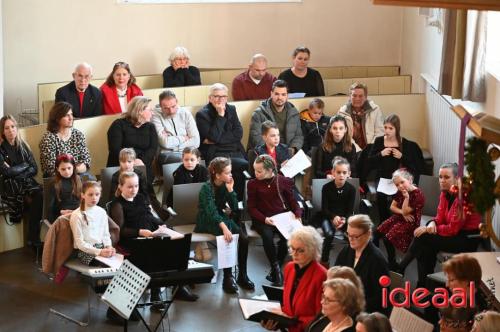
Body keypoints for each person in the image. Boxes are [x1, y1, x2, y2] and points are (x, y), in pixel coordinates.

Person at [109, 171, 199, 306]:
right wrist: (140, 232)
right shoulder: (117, 204)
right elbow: (120, 231)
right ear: (120, 186)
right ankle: (156, 294)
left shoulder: (140, 198)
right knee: (156, 251)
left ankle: (178, 286)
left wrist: (160, 224)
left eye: (136, 186)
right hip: (132, 240)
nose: (134, 190)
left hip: (149, 235)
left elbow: (148, 216)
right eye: (130, 187)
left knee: (178, 244)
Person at [397, 163, 482, 285]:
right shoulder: (445, 193)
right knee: (426, 247)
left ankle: (402, 268)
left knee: (424, 237)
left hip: (467, 239)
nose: (442, 181)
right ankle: (423, 286)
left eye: (446, 177)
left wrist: (428, 229)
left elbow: (453, 229)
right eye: (440, 177)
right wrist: (432, 223)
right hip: (454, 232)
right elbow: (440, 217)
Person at [194, 157, 254, 293]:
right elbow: (210, 212)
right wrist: (225, 227)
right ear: (217, 174)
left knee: (244, 239)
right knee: (226, 236)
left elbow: (233, 208)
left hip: (221, 218)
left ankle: (242, 275)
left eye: (230, 172)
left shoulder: (225, 185)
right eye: (227, 173)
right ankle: (228, 277)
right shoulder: (206, 188)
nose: (230, 175)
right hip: (206, 219)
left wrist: (231, 190)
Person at [247, 154, 302, 286]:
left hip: (281, 217)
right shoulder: (253, 184)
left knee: (286, 239)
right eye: (255, 170)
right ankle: (276, 269)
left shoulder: (282, 181)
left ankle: (275, 269)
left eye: (259, 171)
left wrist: (298, 214)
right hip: (262, 218)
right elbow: (251, 208)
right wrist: (264, 219)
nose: (256, 173)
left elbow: (293, 201)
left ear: (270, 170)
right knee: (267, 235)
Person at [261, 226, 327, 332]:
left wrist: (291, 320)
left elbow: (320, 319)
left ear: (313, 250)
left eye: (300, 250)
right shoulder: (289, 267)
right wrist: (276, 320)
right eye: (292, 248)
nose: (294, 254)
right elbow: (289, 305)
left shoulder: (322, 275)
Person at [367, 114, 425, 223]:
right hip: (382, 177)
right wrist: (381, 154)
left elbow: (412, 165)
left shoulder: (405, 143)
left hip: (398, 179)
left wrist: (401, 156)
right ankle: (384, 221)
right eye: (385, 128)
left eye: (390, 128)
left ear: (396, 129)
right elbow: (370, 162)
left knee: (400, 194)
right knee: (381, 195)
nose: (387, 131)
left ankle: (397, 220)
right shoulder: (379, 141)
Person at [195, 83, 248, 199]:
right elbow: (213, 137)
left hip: (235, 150)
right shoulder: (202, 114)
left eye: (223, 96)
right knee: (235, 167)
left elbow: (239, 133)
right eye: (217, 96)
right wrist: (220, 115)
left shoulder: (231, 109)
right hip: (216, 153)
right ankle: (226, 202)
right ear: (210, 98)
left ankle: (237, 203)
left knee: (244, 167)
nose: (220, 99)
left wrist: (218, 139)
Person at [0, 115, 42, 245]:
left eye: (13, 127)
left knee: (41, 194)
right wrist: (24, 166)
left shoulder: (23, 145)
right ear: (2, 131)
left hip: (25, 183)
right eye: (6, 128)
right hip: (10, 187)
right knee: (33, 198)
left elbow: (34, 169)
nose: (10, 130)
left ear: (16, 128)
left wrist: (16, 171)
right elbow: (6, 172)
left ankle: (33, 236)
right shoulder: (1, 150)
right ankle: (33, 238)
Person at [335, 215, 389, 314]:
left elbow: (381, 297)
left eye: (355, 236)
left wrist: (354, 305)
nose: (350, 239)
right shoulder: (346, 250)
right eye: (348, 234)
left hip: (364, 312)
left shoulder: (377, 260)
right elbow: (335, 276)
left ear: (368, 234)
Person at [373, 168, 424, 270]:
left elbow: (406, 211)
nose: (400, 186)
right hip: (400, 217)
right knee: (376, 233)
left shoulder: (418, 195)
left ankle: (392, 263)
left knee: (387, 239)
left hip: (410, 221)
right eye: (397, 185)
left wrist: (406, 198)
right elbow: (392, 207)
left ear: (410, 180)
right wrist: (402, 213)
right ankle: (375, 259)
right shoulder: (401, 191)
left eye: (402, 182)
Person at [107, 96, 158, 194]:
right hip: (121, 165)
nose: (153, 113)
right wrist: (131, 161)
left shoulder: (150, 126)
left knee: (145, 191)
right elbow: (115, 149)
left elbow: (153, 148)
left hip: (142, 165)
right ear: (139, 111)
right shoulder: (118, 125)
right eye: (150, 110)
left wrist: (141, 160)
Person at [314, 157, 356, 267]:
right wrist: (333, 217)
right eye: (338, 172)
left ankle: (349, 262)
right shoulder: (326, 187)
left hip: (343, 218)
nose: (341, 175)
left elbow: (349, 210)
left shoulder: (351, 189)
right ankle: (324, 262)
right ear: (333, 173)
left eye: (344, 172)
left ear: (349, 174)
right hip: (328, 217)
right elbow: (325, 209)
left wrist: (343, 219)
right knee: (329, 234)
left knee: (352, 236)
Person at [248, 80, 303, 152]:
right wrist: (275, 152)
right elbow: (256, 139)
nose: (280, 97)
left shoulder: (294, 112)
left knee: (309, 162)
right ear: (271, 94)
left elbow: (299, 136)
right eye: (277, 94)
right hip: (266, 153)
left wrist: (293, 149)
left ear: (287, 96)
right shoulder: (258, 114)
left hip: (288, 152)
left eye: (283, 94)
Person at [39, 102, 92, 178]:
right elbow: (50, 169)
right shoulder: (48, 139)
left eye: (71, 114)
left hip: (78, 176)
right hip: (57, 179)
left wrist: (70, 169)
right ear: (57, 118)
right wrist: (73, 169)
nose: (71, 118)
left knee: (92, 185)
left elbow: (86, 161)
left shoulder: (77, 134)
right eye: (67, 115)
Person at [69, 181, 115, 265]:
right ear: (83, 195)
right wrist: (99, 252)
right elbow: (80, 243)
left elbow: (105, 234)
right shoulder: (77, 215)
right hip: (85, 251)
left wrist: (109, 246)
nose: (94, 198)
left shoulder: (102, 212)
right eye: (90, 195)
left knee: (119, 263)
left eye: (97, 194)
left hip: (102, 247)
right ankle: (102, 278)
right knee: (104, 265)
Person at [151, 90, 199, 165]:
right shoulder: (155, 116)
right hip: (166, 154)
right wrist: (183, 138)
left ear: (177, 102)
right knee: (185, 161)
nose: (171, 111)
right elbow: (165, 143)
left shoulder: (185, 113)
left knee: (193, 159)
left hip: (188, 152)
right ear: (161, 107)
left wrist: (175, 147)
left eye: (173, 106)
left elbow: (196, 141)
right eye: (166, 108)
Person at [337, 83, 384, 150]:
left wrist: (370, 148)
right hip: (351, 150)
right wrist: (358, 151)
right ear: (350, 96)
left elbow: (380, 132)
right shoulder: (342, 112)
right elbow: (344, 135)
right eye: (354, 95)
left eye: (360, 96)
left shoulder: (375, 109)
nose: (357, 99)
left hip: (372, 149)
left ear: (366, 97)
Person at [48, 154, 82, 223]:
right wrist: (61, 212)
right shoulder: (54, 183)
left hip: (78, 214)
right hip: (62, 216)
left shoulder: (78, 179)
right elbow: (50, 208)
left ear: (73, 167)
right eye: (63, 169)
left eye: (69, 168)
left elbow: (83, 200)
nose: (67, 171)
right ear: (57, 169)